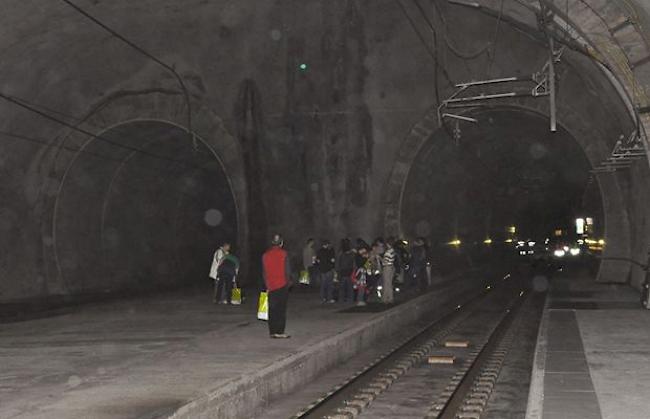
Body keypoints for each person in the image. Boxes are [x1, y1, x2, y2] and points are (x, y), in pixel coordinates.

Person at [262, 234, 291, 339]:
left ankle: (272, 331)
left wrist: (267, 285)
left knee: (272, 309)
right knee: (281, 309)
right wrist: (289, 283)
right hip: (282, 284)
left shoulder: (265, 255)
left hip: (271, 285)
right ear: (281, 243)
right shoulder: (284, 254)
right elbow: (287, 270)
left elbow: (264, 272)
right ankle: (280, 331)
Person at [337, 238, 356, 303]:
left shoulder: (340, 253)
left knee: (342, 287)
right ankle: (350, 299)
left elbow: (338, 263)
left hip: (342, 272)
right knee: (349, 287)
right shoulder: (351, 253)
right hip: (349, 271)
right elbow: (353, 263)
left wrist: (337, 271)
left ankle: (341, 299)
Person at [381, 239, 396, 304]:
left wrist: (379, 258)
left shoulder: (388, 252)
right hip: (391, 267)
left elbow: (385, 261)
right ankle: (389, 298)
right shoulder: (393, 251)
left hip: (387, 267)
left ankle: (386, 298)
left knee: (387, 283)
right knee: (389, 282)